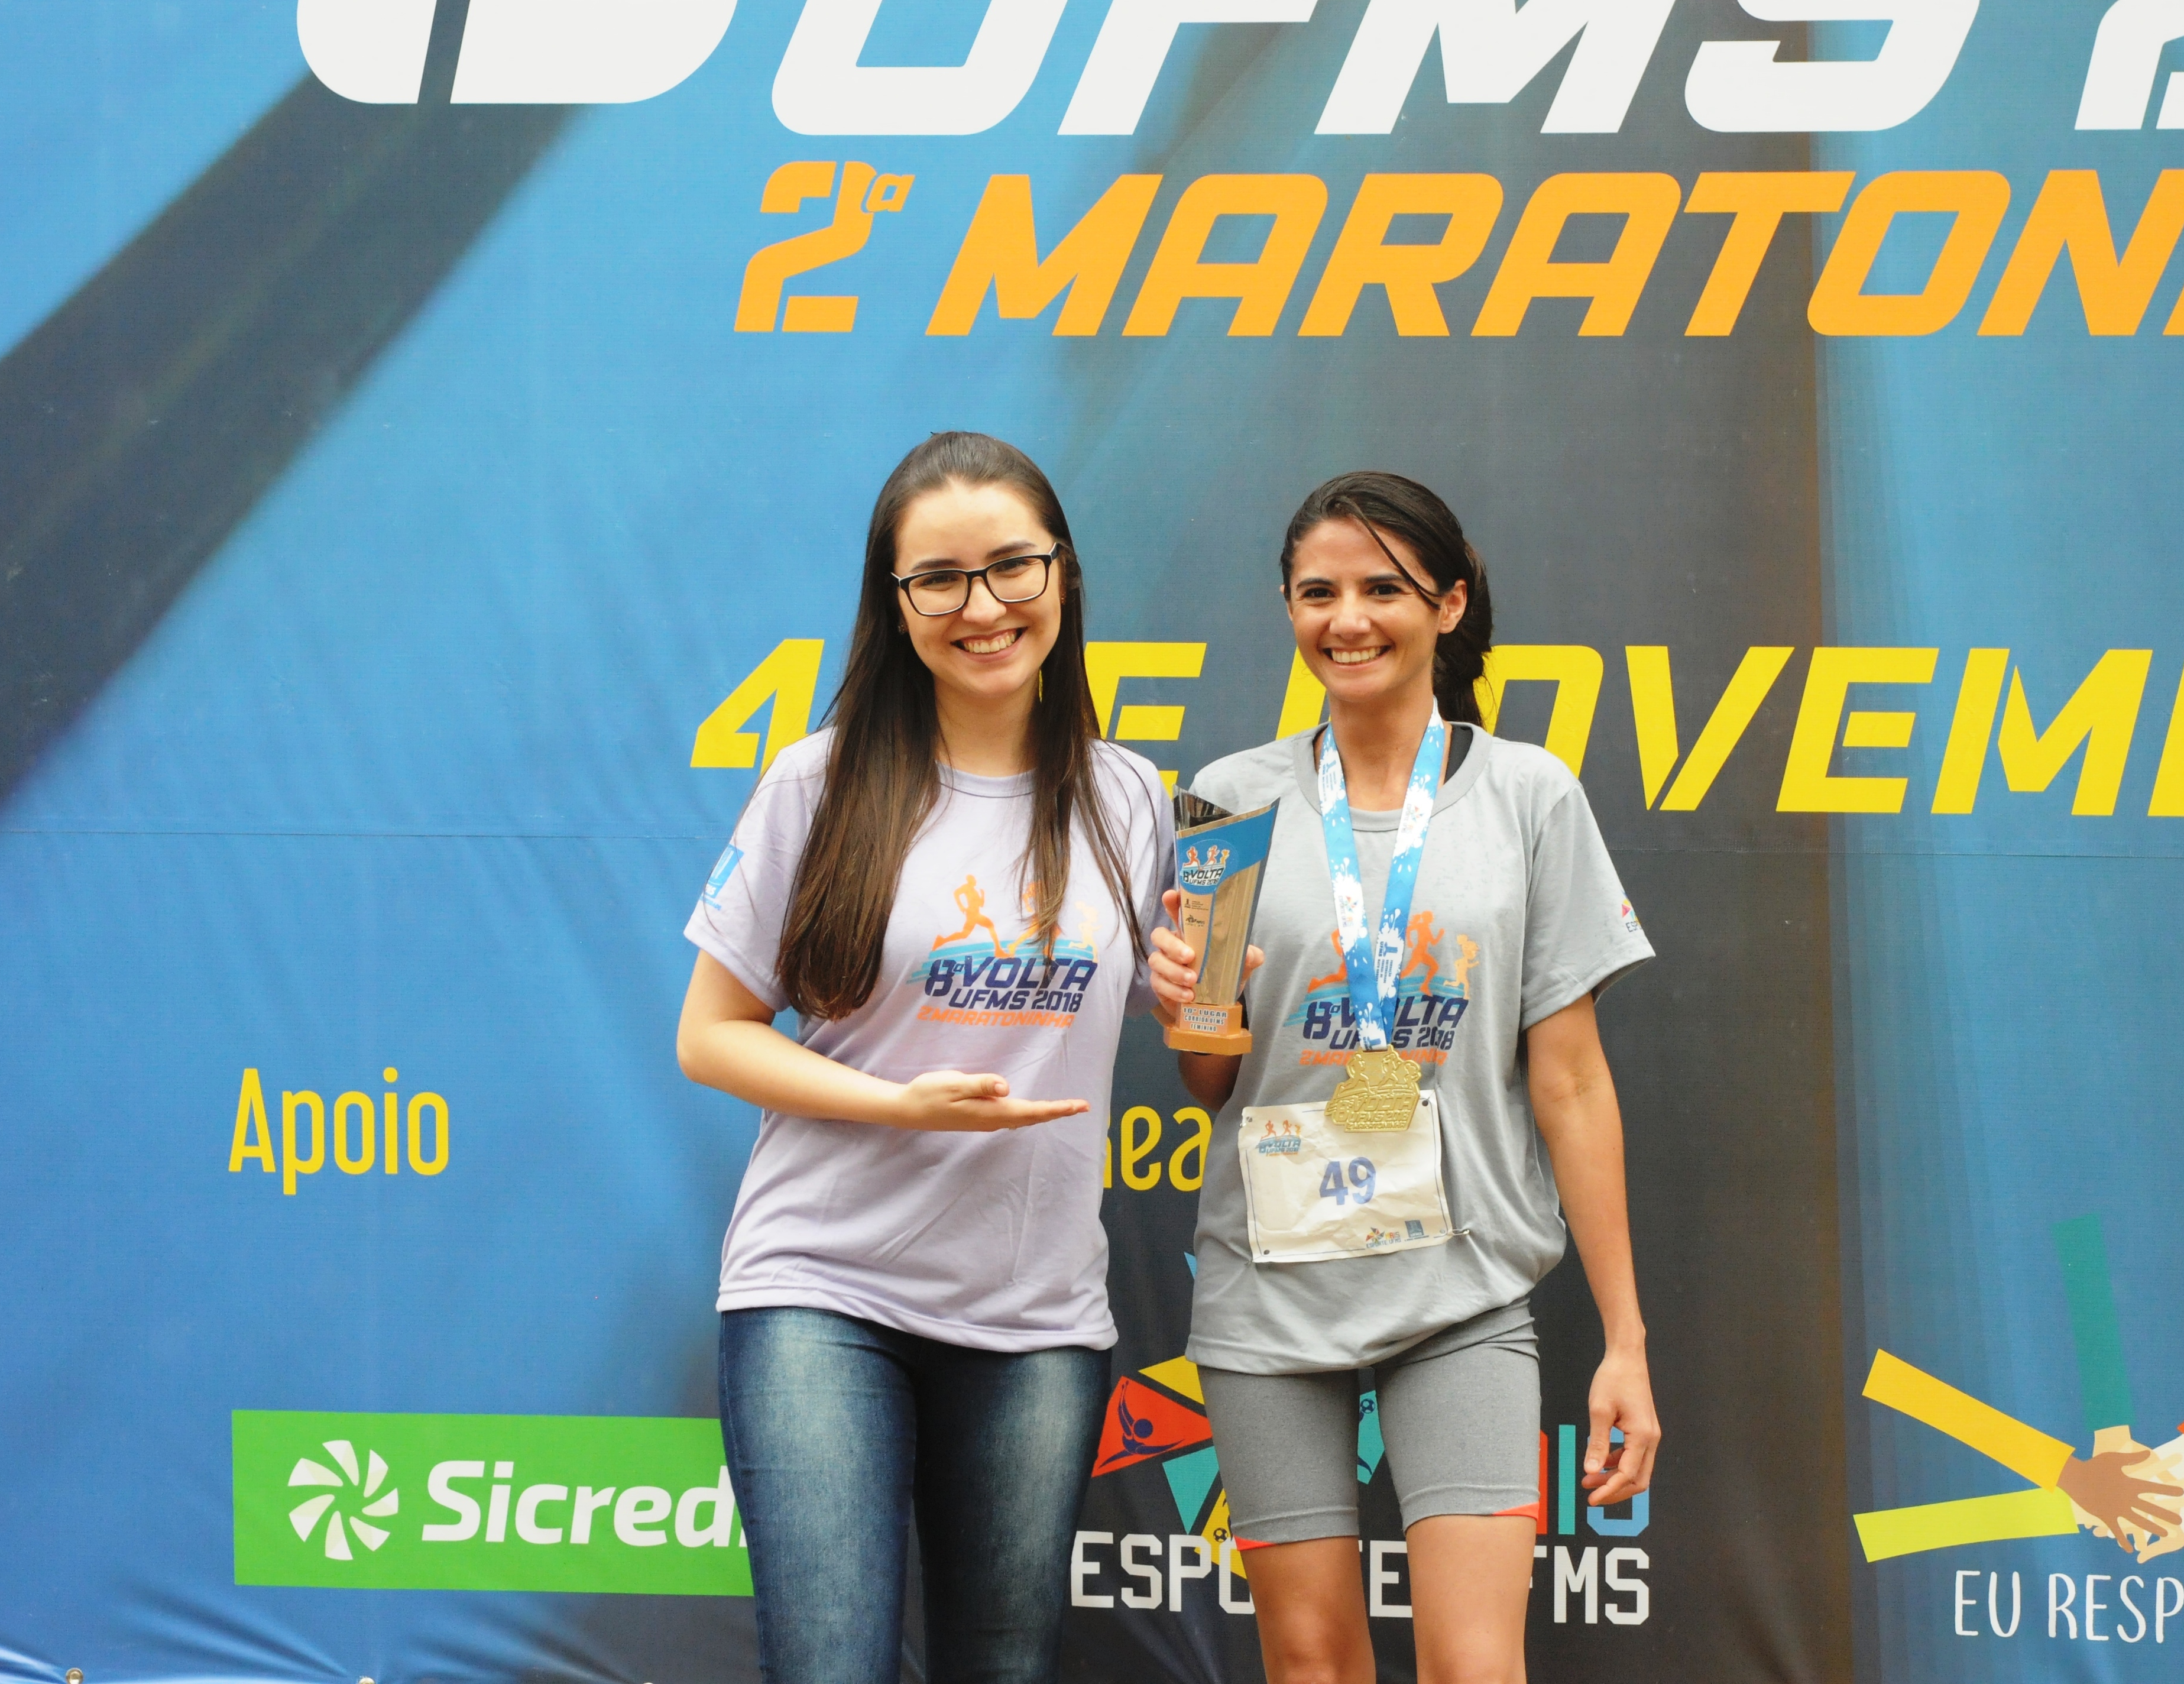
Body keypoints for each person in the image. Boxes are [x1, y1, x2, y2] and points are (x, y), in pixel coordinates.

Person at [678, 432, 1173, 1684]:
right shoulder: (820, 782)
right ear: (894, 604)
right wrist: (898, 1103)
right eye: (939, 579)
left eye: (1012, 566)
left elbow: (1178, 1020)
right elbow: (711, 1034)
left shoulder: (1129, 799)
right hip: (823, 1287)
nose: (983, 606)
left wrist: (1208, 994)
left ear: (1062, 573)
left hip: (1035, 1313)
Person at [1149, 471, 1656, 1684]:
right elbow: (1208, 1075)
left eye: (1382, 588)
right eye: (1316, 592)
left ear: (1448, 603)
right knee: (1311, 1663)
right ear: (1287, 607)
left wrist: (1625, 1340)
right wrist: (1186, 1007)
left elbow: (1572, 1083)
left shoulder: (1529, 794)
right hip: (1270, 1291)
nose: (1347, 619)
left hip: (1461, 1287)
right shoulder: (1229, 798)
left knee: (1474, 1665)